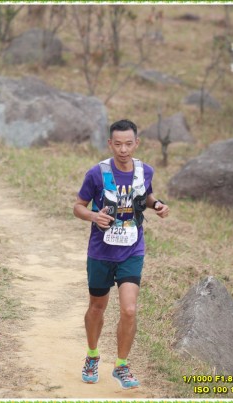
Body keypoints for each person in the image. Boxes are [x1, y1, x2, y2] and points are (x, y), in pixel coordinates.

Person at [73, 119, 169, 389]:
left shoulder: (145, 170)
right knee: (97, 307)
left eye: (128, 144)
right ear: (110, 144)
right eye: (118, 144)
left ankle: (121, 365)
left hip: (132, 249)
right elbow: (78, 206)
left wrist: (157, 205)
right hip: (101, 251)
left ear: (136, 143)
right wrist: (93, 216)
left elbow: (145, 196)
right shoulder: (97, 173)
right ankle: (92, 356)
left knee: (129, 309)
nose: (123, 149)